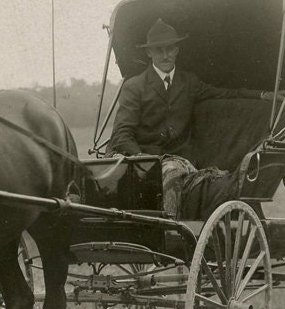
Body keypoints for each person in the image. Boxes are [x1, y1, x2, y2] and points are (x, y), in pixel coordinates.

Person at [108, 18, 275, 217]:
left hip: (180, 161)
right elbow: (121, 134)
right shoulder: (134, 87)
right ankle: (166, 230)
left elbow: (225, 93)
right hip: (145, 158)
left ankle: (173, 230)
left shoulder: (189, 82)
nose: (165, 55)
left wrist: (263, 95)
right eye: (158, 49)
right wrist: (144, 162)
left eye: (169, 48)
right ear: (148, 52)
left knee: (176, 174)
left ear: (177, 49)